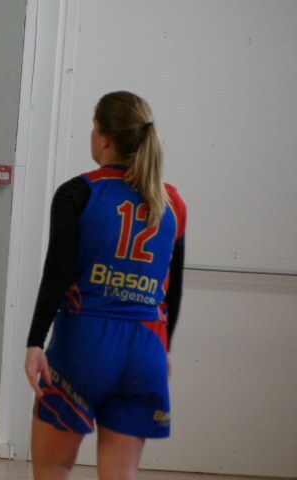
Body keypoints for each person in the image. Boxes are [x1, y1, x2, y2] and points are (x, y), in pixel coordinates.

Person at [25, 91, 186, 480]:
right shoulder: (171, 201)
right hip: (146, 346)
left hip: (86, 340)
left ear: (105, 137)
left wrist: (34, 342)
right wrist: (164, 348)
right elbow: (174, 287)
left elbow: (56, 274)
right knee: (120, 475)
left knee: (53, 466)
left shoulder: (79, 192)